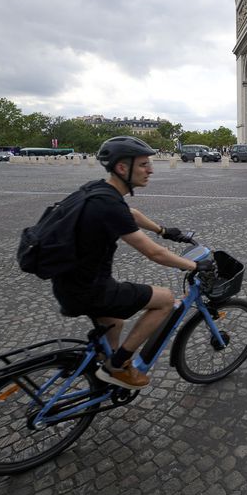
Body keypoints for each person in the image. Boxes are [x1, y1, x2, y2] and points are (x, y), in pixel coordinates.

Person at [51, 135, 214, 390]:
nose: (150, 170)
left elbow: (131, 213)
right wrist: (193, 266)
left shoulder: (99, 190)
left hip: (71, 282)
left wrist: (163, 230)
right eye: (143, 164)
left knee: (115, 320)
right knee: (164, 300)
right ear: (122, 168)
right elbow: (154, 254)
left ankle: (109, 369)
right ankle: (118, 365)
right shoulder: (108, 206)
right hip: (90, 289)